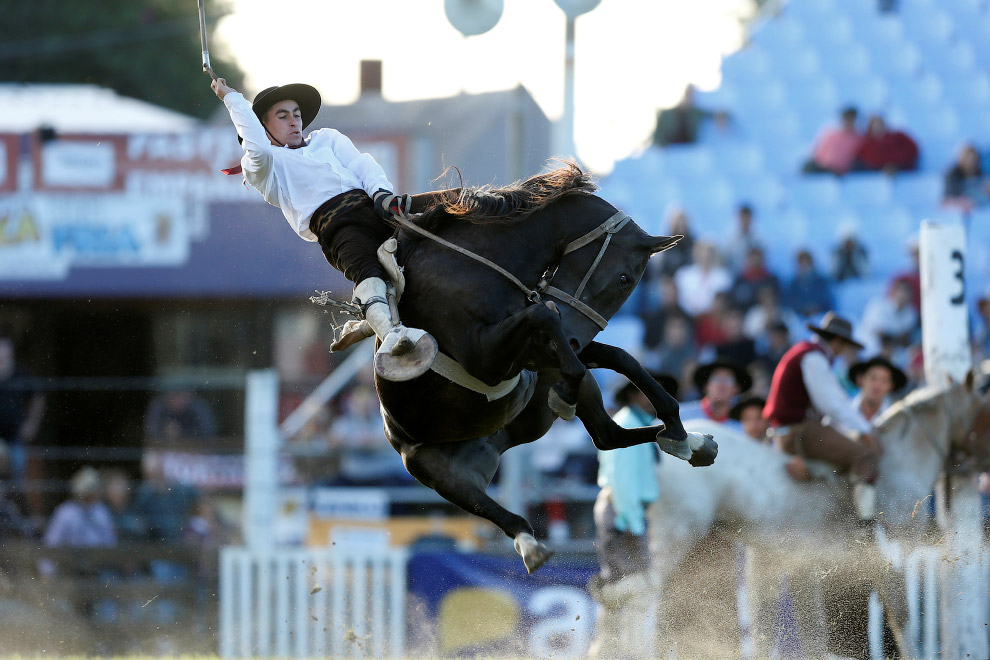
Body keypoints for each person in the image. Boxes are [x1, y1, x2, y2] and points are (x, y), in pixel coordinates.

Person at [211, 78, 438, 380]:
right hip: (338, 227)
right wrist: (232, 98)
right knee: (368, 274)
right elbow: (258, 149)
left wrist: (382, 193)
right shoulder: (264, 167)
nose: (294, 121)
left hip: (376, 207)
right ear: (262, 128)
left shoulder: (327, 138)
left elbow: (362, 164)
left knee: (444, 216)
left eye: (296, 114)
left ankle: (369, 319)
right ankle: (396, 339)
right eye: (282, 116)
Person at [589, 371, 676, 659]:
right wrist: (634, 524)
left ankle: (609, 651)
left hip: (623, 513)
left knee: (628, 589)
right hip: (624, 514)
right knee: (639, 588)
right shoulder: (628, 424)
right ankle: (629, 652)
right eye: (648, 390)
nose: (654, 396)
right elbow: (623, 481)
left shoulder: (635, 423)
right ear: (632, 394)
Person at [763, 312, 880, 521]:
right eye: (844, 346)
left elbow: (835, 400)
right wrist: (866, 430)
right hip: (798, 431)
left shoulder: (808, 353)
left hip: (791, 429)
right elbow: (830, 403)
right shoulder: (814, 357)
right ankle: (866, 523)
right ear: (837, 342)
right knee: (866, 456)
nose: (844, 351)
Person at [0, 337, 45, 485]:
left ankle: (13, 505)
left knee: (18, 476)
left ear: (11, 353)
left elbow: (38, 398)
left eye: (4, 352)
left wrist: (32, 424)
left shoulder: (21, 374)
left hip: (15, 436)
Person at [44, 466, 116, 549]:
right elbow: (52, 542)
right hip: (70, 559)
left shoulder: (101, 511)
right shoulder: (66, 512)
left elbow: (110, 542)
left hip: (97, 559)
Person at [679, 359, 752, 425]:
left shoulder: (742, 426)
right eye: (716, 379)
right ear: (706, 385)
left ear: (737, 388)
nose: (721, 385)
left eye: (728, 380)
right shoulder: (680, 415)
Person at [857, 279, 919, 357]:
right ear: (894, 292)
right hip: (870, 346)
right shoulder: (877, 305)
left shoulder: (911, 313)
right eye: (901, 291)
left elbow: (904, 337)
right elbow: (877, 332)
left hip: (894, 350)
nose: (903, 295)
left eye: (906, 292)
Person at [673, 240, 733, 317]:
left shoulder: (723, 276)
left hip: (714, 319)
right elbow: (680, 299)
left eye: (708, 251)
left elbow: (722, 301)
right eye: (701, 251)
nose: (705, 255)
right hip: (687, 317)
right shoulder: (683, 275)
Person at [802, 106, 863, 175]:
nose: (849, 122)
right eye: (847, 119)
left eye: (852, 119)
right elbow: (818, 152)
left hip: (841, 170)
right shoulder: (831, 134)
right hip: (823, 166)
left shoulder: (858, 138)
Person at [144, 387, 217, 444]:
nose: (177, 400)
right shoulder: (160, 407)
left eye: (180, 396)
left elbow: (207, 432)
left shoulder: (197, 408)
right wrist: (165, 432)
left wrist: (182, 433)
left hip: (194, 450)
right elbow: (152, 432)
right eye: (174, 396)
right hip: (165, 449)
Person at [847, 356, 907, 422]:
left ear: (891, 386)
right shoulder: (846, 409)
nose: (877, 386)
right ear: (860, 379)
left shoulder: (896, 419)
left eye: (884, 380)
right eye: (873, 378)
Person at [852, 115, 919, 174]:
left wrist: (894, 162)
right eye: (874, 126)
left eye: (879, 125)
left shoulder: (897, 136)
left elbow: (913, 149)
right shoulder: (866, 142)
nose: (877, 128)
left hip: (900, 168)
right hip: (875, 172)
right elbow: (864, 158)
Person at [782, 249, 835, 320]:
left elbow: (828, 302)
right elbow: (788, 303)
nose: (803, 267)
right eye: (800, 264)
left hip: (820, 317)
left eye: (805, 263)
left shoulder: (821, 282)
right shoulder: (793, 284)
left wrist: (816, 308)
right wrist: (803, 309)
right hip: (799, 319)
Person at [943, 143, 990, 211]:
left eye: (974, 159)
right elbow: (948, 199)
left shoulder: (979, 172)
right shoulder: (952, 175)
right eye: (969, 159)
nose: (971, 162)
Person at [722, 203, 763, 274]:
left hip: (753, 275)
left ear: (751, 218)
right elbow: (725, 259)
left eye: (747, 217)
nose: (745, 220)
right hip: (734, 274)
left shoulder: (759, 238)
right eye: (742, 217)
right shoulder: (730, 238)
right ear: (738, 218)